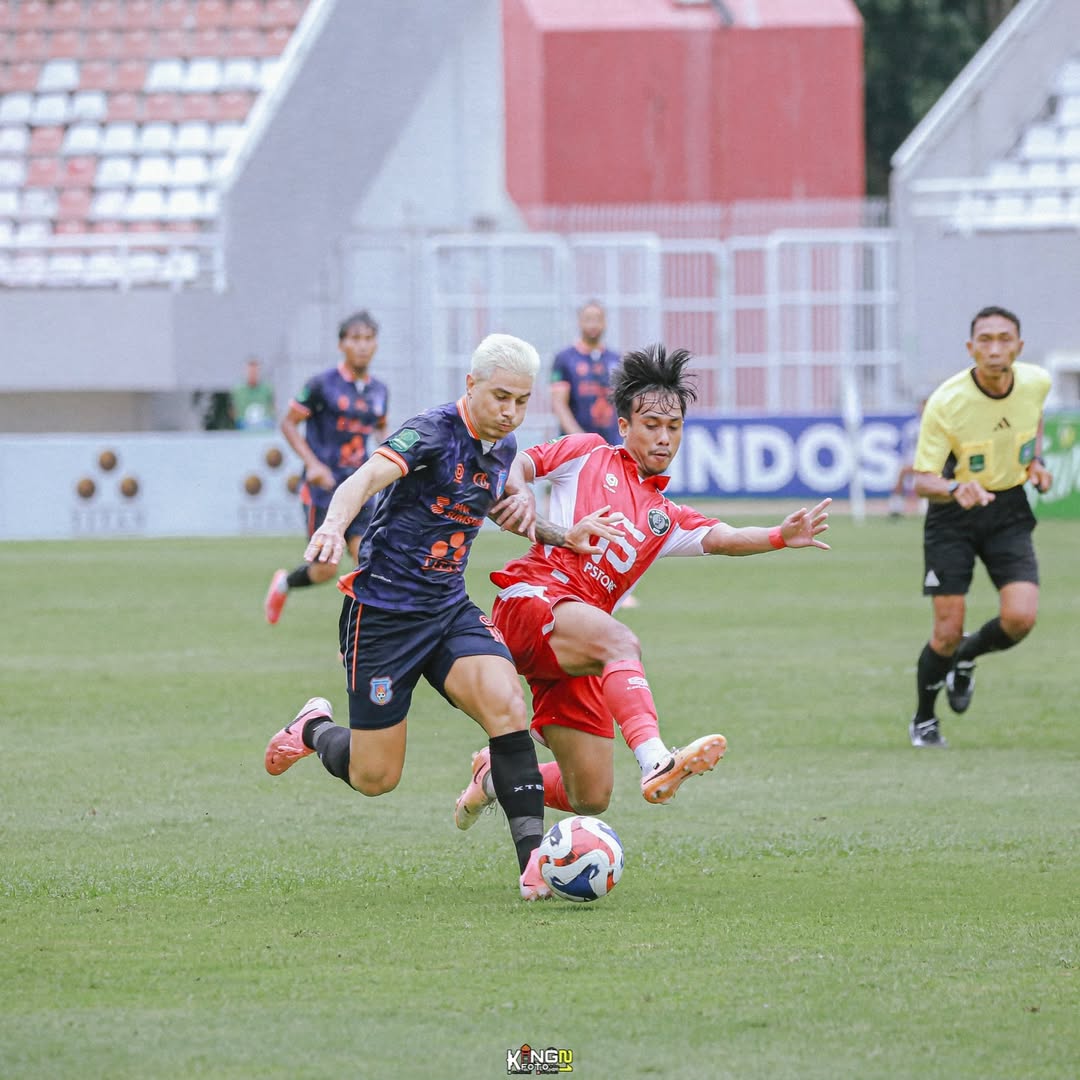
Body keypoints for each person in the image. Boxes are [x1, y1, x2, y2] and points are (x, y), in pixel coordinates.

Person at [262, 333, 622, 901]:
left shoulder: (502, 447)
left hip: (448, 608)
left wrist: (563, 534)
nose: (511, 412)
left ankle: (533, 865)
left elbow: (501, 510)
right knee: (375, 777)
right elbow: (363, 480)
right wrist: (332, 526)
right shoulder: (430, 432)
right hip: (382, 615)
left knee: (507, 704)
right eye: (500, 397)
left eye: (522, 401)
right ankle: (312, 728)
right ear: (471, 385)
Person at [453, 344, 832, 829]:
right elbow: (522, 463)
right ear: (625, 425)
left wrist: (781, 536)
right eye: (651, 425)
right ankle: (656, 759)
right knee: (620, 639)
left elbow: (725, 538)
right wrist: (523, 491)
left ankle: (491, 778)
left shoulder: (665, 516)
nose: (663, 438)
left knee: (589, 793)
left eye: (673, 428)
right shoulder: (588, 451)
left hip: (578, 637)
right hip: (534, 598)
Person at [908, 305, 1053, 748]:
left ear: (1019, 346)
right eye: (985, 340)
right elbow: (921, 481)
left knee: (1020, 619)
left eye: (1004, 339)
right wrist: (954, 489)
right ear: (971, 349)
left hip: (1008, 508)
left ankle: (966, 658)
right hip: (953, 517)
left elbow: (1033, 419)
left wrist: (1036, 461)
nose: (994, 349)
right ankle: (924, 719)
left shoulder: (1036, 382)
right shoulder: (947, 401)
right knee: (946, 630)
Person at [264, 311, 390, 624]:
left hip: (361, 488)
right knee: (325, 569)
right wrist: (313, 464)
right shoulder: (321, 385)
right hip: (324, 491)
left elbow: (382, 432)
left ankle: (357, 637)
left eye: (368, 339)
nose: (362, 346)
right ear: (341, 344)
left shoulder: (379, 391)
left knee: (369, 563)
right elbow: (289, 423)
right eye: (355, 339)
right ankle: (284, 583)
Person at [550, 300, 622, 444]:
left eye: (598, 319)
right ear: (579, 322)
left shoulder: (616, 360)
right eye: (588, 319)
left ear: (605, 323)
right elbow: (558, 404)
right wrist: (580, 438)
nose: (593, 324)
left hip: (612, 443)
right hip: (575, 445)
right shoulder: (564, 358)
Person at [229, 356, 277, 432]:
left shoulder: (267, 388)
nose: (253, 374)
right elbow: (234, 411)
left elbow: (272, 407)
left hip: (265, 424)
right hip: (244, 425)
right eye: (251, 371)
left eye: (255, 371)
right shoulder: (238, 390)